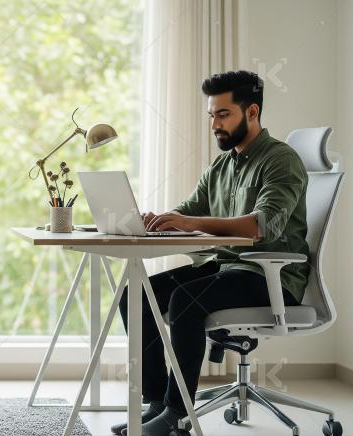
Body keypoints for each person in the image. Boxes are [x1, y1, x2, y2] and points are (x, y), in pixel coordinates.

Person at [110, 70, 310, 436]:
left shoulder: (282, 161)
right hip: (223, 267)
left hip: (267, 276)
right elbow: (189, 210)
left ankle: (177, 416)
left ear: (251, 112)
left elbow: (260, 226)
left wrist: (189, 223)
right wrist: (163, 219)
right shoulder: (221, 165)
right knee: (136, 296)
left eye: (223, 115)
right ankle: (157, 402)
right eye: (211, 116)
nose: (215, 124)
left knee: (186, 300)